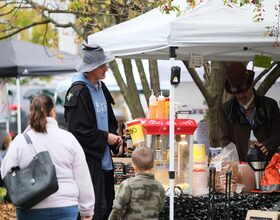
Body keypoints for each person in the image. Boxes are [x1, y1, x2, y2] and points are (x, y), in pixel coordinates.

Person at [1, 94, 94, 220]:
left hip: (29, 206)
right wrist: (86, 210)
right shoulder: (68, 139)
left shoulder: (20, 141)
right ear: (53, 111)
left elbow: (5, 172)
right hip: (65, 206)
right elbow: (82, 177)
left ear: (31, 113)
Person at [64, 43, 123, 220]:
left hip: (106, 164)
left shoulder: (101, 88)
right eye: (102, 65)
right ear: (92, 68)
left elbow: (111, 120)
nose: (106, 68)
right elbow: (78, 131)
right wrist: (106, 137)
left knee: (106, 209)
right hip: (88, 165)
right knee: (92, 212)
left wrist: (115, 140)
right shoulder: (78, 92)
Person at [219, 62, 280, 162]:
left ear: (251, 85)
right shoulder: (225, 110)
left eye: (244, 91)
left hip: (269, 165)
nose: (241, 95)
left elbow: (277, 132)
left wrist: (269, 144)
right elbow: (225, 140)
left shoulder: (270, 105)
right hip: (240, 166)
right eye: (236, 93)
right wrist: (234, 162)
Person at [108, 146, 165, 220]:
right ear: (154, 163)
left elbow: (117, 208)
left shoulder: (127, 185)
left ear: (133, 166)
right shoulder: (159, 187)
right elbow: (159, 208)